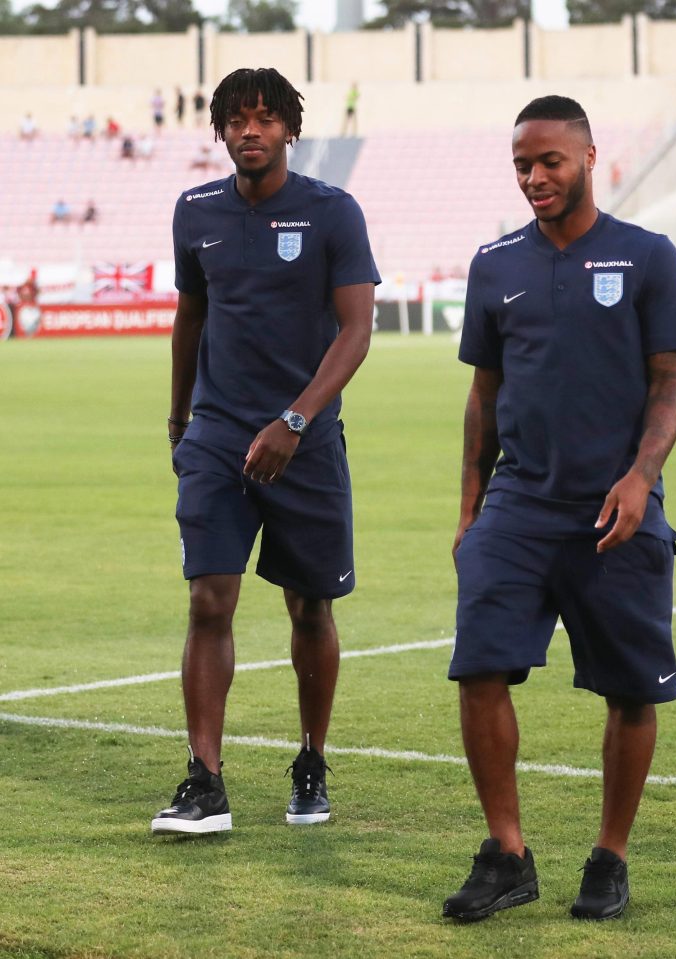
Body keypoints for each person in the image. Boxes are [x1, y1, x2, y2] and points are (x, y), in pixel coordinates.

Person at [442, 95, 676, 923]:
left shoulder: (647, 255)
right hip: (517, 503)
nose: (534, 176)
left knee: (631, 690)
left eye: (550, 160)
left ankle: (609, 856)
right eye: (522, 164)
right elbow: (484, 393)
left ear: (591, 157)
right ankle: (507, 851)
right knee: (478, 666)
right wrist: (470, 502)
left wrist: (640, 476)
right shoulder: (495, 264)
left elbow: (670, 381)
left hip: (613, 506)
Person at [152, 67, 380, 836]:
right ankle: (205, 777)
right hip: (217, 437)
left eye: (266, 118)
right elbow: (190, 317)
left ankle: (310, 759)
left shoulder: (331, 212)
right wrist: (180, 419)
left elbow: (356, 332)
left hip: (305, 440)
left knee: (309, 605)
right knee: (208, 599)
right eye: (237, 119)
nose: (251, 130)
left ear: (290, 129)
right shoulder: (195, 211)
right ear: (218, 130)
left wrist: (295, 419)